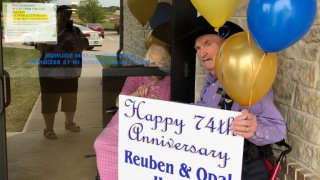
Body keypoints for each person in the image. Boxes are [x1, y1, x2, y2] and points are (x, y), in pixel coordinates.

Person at [181, 16, 286, 179]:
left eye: (208, 44)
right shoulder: (211, 81)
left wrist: (254, 129)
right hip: (217, 164)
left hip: (247, 168)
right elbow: (205, 112)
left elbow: (278, 129)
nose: (202, 53)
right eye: (198, 48)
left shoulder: (249, 79)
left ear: (227, 45)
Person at [94, 44, 171, 180]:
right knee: (102, 143)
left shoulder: (171, 80)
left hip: (156, 127)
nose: (156, 67)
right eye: (152, 63)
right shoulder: (136, 76)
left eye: (161, 63)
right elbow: (119, 102)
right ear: (146, 63)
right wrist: (136, 94)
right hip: (127, 122)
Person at [35, 5, 89, 139]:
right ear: (56, 15)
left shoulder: (75, 30)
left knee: (70, 99)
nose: (67, 17)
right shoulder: (46, 30)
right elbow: (40, 45)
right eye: (64, 14)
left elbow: (84, 45)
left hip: (70, 72)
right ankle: (48, 129)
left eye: (69, 14)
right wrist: (62, 36)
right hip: (49, 73)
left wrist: (73, 37)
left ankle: (69, 123)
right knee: (49, 100)